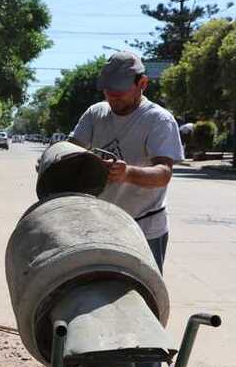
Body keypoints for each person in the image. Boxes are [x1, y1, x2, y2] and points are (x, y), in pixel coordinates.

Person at [69, 51, 184, 273]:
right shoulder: (96, 113)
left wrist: (128, 173)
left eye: (119, 92)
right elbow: (73, 149)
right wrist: (57, 158)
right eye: (108, 92)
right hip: (99, 225)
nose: (113, 98)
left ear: (142, 83)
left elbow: (163, 173)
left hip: (143, 229)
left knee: (144, 296)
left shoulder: (158, 120)